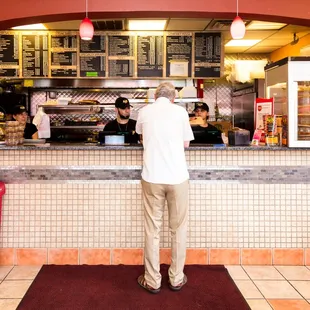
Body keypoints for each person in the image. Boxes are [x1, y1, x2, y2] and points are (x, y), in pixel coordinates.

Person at [135, 82, 194, 294]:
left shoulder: (144, 112)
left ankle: (152, 280)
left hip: (152, 176)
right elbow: (186, 143)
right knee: (178, 229)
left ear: (155, 97)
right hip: (177, 177)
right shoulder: (180, 113)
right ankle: (176, 278)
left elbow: (141, 138)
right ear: (173, 98)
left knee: (153, 230)